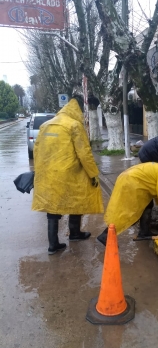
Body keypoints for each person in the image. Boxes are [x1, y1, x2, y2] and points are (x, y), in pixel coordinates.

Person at [32, 93, 104, 254]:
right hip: (70, 173)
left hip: (49, 174)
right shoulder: (74, 125)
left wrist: (38, 172)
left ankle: (53, 244)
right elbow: (84, 153)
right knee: (76, 200)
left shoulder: (45, 126)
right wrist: (93, 174)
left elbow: (37, 151)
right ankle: (75, 233)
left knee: (52, 206)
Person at [96, 159, 158, 246]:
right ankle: (106, 235)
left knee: (148, 205)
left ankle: (144, 232)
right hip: (132, 183)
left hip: (133, 181)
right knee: (129, 213)